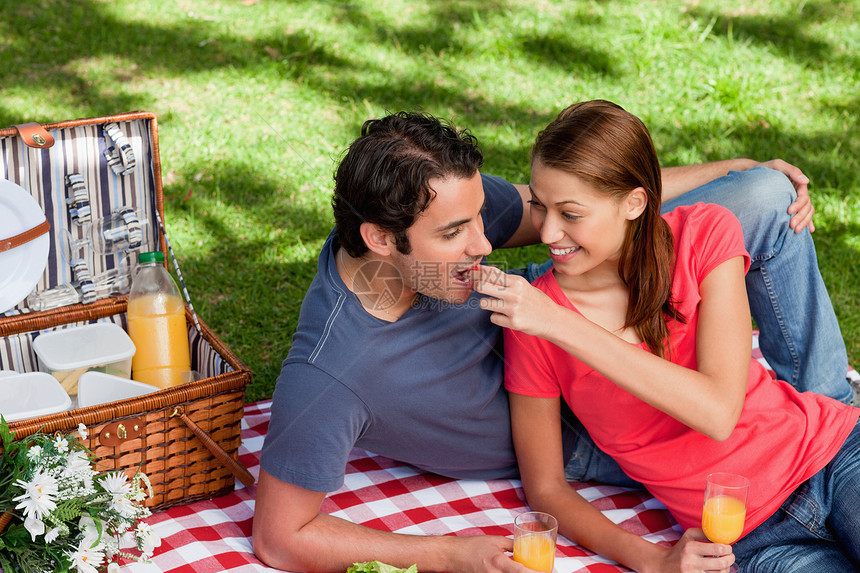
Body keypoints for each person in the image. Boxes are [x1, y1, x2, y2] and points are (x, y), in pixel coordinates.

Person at [252, 110, 852, 573]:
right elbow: (281, 537)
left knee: (763, 195)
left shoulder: (436, 203)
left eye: (481, 217)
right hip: (580, 430)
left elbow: (581, 203)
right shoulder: (331, 371)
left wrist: (722, 174)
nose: (486, 245)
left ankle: (833, 413)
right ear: (381, 240)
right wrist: (454, 554)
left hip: (573, 321)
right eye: (457, 232)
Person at [486, 100, 860, 572]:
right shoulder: (533, 322)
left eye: (571, 213)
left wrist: (561, 324)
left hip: (833, 456)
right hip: (748, 541)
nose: (548, 230)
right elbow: (546, 489)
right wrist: (656, 560)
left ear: (634, 203)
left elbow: (717, 412)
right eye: (540, 205)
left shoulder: (702, 235)